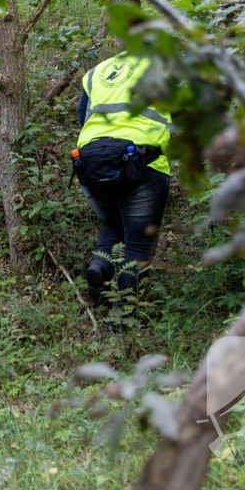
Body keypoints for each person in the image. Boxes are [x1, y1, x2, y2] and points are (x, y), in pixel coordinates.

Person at [74, 48, 171, 311]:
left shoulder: (97, 72)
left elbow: (82, 118)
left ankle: (100, 266)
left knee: (112, 221)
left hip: (93, 161)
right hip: (143, 162)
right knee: (139, 244)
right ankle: (125, 313)